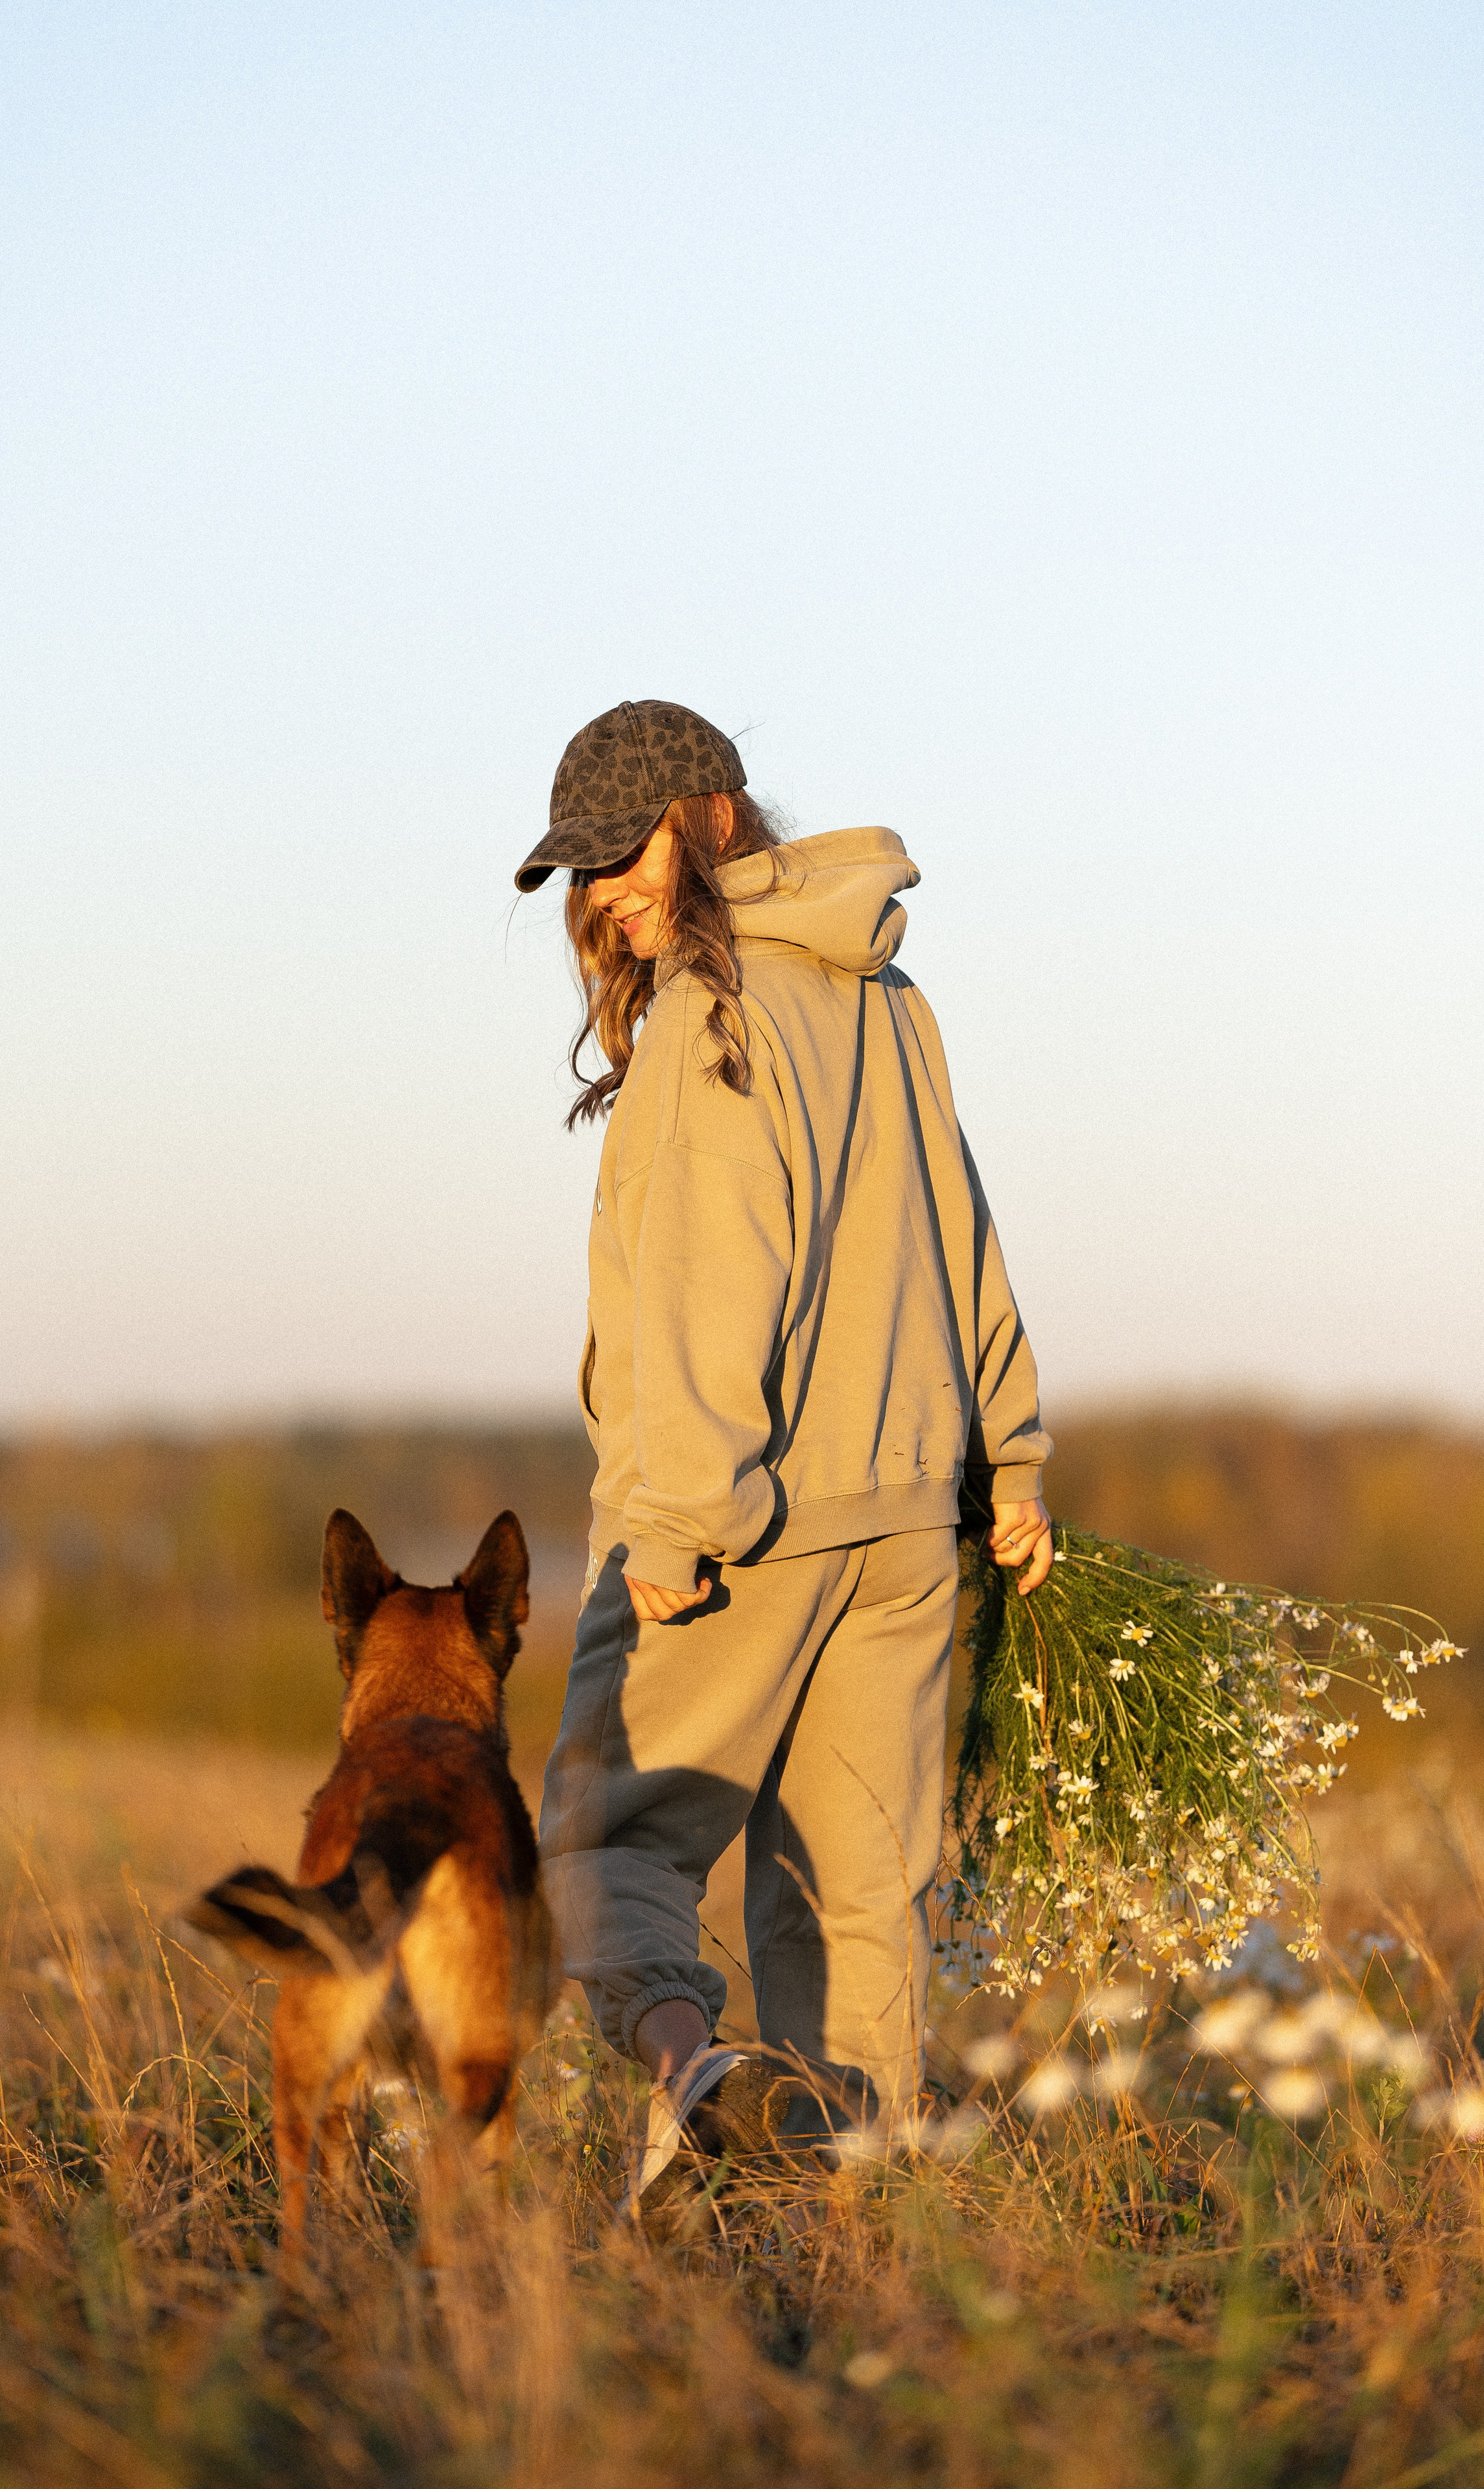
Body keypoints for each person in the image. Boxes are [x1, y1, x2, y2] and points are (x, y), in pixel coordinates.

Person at [514, 698, 1052, 2193]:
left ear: (707, 818)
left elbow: (711, 1282)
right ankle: (834, 2217)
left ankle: (698, 2081)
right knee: (853, 1898)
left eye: (618, 852)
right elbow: (961, 1232)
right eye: (578, 867)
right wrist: (1007, 1454)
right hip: (903, 1524)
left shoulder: (709, 1013)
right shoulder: (885, 996)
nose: (600, 890)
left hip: (733, 1526)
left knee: (606, 1845)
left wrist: (676, 1517)